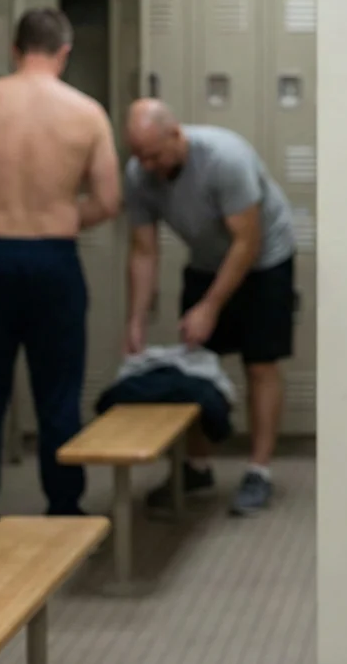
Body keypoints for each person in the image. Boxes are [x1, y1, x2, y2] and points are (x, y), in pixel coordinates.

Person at [0, 7, 121, 550]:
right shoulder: (86, 113)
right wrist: (60, 219)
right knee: (58, 394)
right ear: (63, 52)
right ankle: (62, 511)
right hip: (54, 261)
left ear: (15, 49)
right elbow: (108, 200)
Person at [123, 98, 297, 516]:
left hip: (263, 260)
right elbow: (144, 252)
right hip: (206, 261)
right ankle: (196, 467)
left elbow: (246, 242)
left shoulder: (224, 159)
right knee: (196, 363)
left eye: (155, 154)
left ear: (176, 134)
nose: (148, 165)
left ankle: (259, 471)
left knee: (260, 363)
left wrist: (210, 307)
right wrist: (136, 319)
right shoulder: (139, 175)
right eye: (139, 156)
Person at [94, 343, 237, 508]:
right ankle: (196, 468)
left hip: (171, 380)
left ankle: (196, 469)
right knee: (195, 399)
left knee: (193, 402)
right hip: (178, 381)